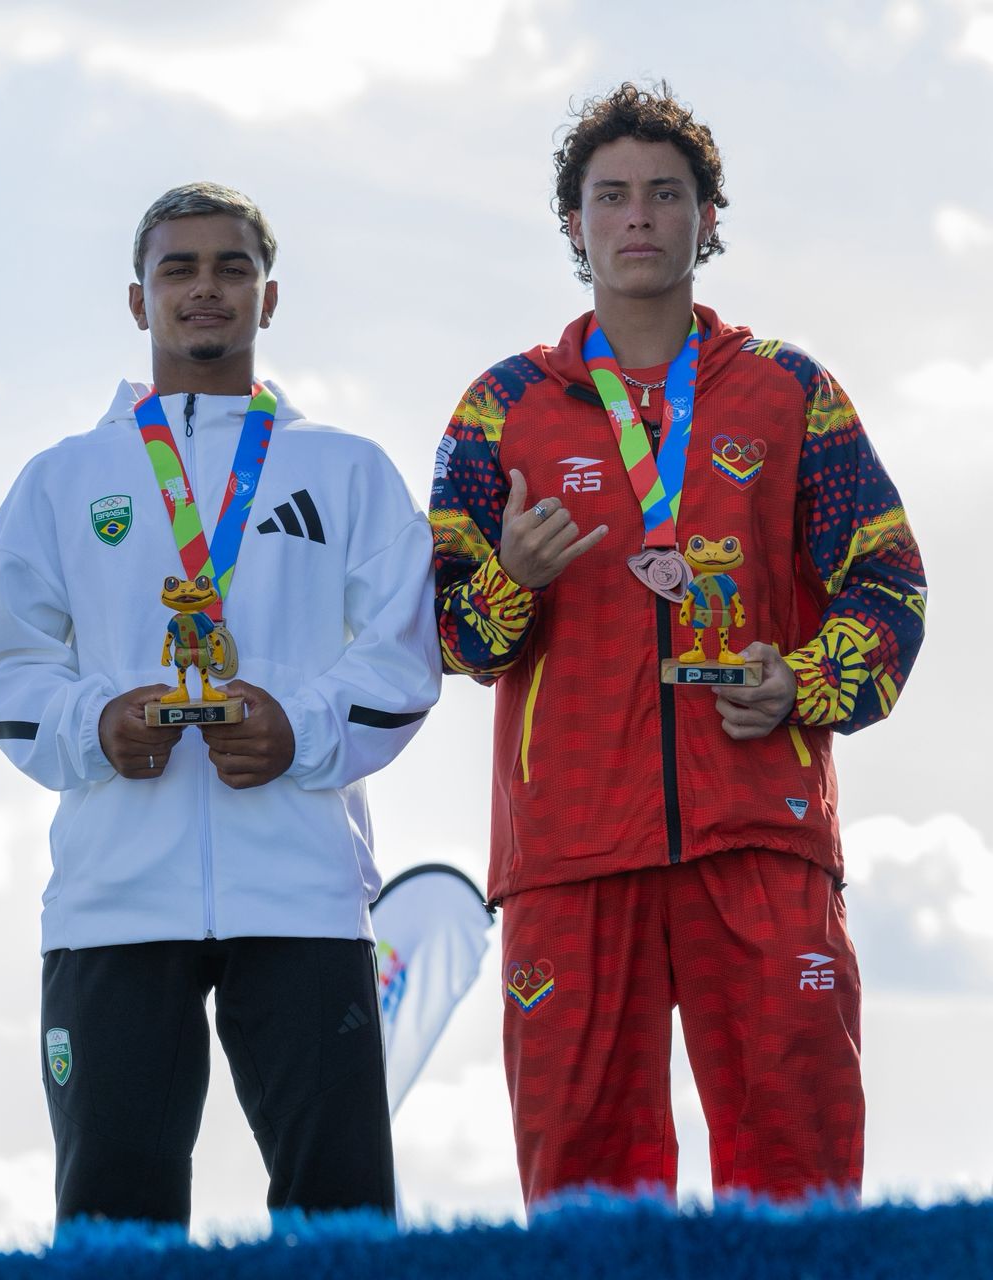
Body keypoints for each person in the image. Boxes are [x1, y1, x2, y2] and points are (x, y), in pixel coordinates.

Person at [429, 83, 926, 1210]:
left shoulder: (790, 391)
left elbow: (888, 580)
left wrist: (801, 684)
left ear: (708, 216)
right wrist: (517, 575)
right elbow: (448, 633)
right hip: (569, 847)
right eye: (611, 196)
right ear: (573, 224)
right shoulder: (499, 409)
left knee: (796, 1178)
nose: (639, 216)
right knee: (583, 1192)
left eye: (666, 192)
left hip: (758, 828)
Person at [0, 182, 439, 1228]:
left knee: (340, 1218)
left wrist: (299, 726)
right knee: (115, 1219)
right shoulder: (63, 476)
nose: (205, 288)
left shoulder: (348, 470)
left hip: (305, 893)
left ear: (269, 298)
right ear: (137, 301)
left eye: (232, 267)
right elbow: (3, 665)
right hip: (112, 900)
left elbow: (403, 656)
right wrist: (92, 722)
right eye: (176, 268)